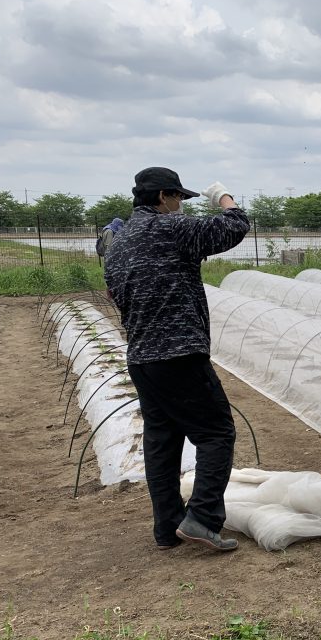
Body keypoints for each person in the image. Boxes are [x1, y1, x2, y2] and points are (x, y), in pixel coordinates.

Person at [104, 168, 249, 552]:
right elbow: (234, 227)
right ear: (164, 197)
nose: (181, 207)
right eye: (180, 199)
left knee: (163, 440)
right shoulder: (170, 229)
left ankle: (167, 526)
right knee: (216, 432)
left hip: (141, 357)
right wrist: (224, 197)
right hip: (179, 353)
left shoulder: (119, 243)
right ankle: (202, 518)